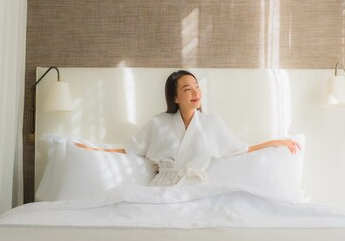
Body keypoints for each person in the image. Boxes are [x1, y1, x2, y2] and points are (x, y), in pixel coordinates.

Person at [76, 70, 300, 186]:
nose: (195, 93)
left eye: (197, 87)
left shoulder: (211, 123)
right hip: (162, 188)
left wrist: (274, 142)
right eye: (187, 89)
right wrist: (94, 150)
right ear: (175, 97)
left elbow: (241, 149)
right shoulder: (157, 123)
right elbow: (129, 151)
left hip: (197, 189)